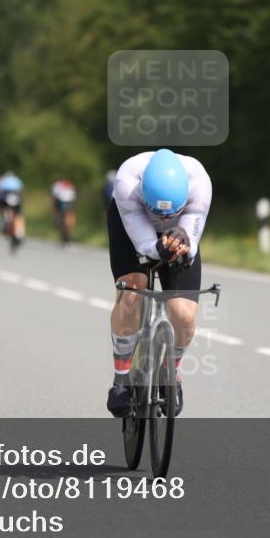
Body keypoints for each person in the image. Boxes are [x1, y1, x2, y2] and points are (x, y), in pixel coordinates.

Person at [105, 149, 212, 417]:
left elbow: (192, 242)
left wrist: (184, 242)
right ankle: (121, 379)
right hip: (130, 224)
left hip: (181, 229)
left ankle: (171, 371)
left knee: (183, 314)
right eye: (159, 214)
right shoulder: (127, 183)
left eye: (169, 215)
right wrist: (158, 248)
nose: (164, 220)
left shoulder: (199, 182)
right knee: (132, 291)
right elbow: (143, 244)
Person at [0, 171, 25, 250]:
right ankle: (20, 233)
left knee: (3, 212)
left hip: (4, 198)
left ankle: (3, 225)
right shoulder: (16, 180)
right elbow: (21, 190)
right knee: (18, 216)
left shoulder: (1, 181)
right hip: (16, 197)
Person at [50, 178, 77, 244]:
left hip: (62, 201)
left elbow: (54, 197)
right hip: (69, 201)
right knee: (69, 214)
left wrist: (54, 208)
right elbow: (74, 195)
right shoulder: (70, 184)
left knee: (60, 216)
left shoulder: (57, 185)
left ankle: (64, 231)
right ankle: (69, 231)